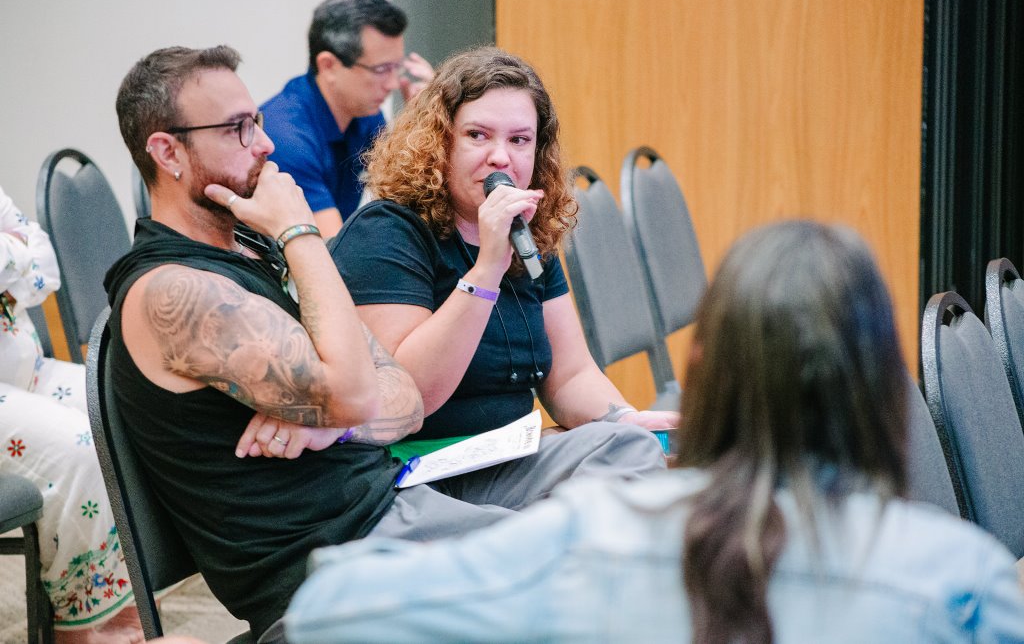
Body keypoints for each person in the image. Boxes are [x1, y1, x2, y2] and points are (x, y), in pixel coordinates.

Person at [108, 45, 665, 643]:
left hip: (383, 520)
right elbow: (360, 392)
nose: (265, 144)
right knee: (587, 578)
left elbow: (400, 399)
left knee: (615, 530)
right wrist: (298, 232)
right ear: (167, 152)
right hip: (333, 571)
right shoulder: (172, 291)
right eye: (237, 129)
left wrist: (334, 420)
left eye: (258, 123)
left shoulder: (249, 256)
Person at [285, 221, 1024, 643]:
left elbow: (326, 612)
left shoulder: (586, 538)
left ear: (701, 372)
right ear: (885, 392)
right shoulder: (958, 579)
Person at [330, 47, 677, 459]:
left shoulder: (527, 232)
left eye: (519, 140)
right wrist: (487, 269)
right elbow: (408, 399)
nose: (501, 157)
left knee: (630, 447)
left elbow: (570, 375)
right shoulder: (385, 231)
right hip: (419, 466)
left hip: (508, 455)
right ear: (439, 143)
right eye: (477, 135)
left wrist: (624, 419)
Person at [1, 185, 142, 643]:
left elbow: (46, 271)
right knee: (80, 446)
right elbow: (25, 257)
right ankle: (82, 625)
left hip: (25, 369)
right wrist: (15, 253)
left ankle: (133, 601)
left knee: (122, 406)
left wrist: (11, 261)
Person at [261, 0, 434, 237]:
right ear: (328, 66)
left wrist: (428, 119)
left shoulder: (365, 114)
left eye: (397, 67)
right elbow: (330, 250)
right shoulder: (286, 138)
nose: (394, 84)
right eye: (381, 69)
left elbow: (410, 195)